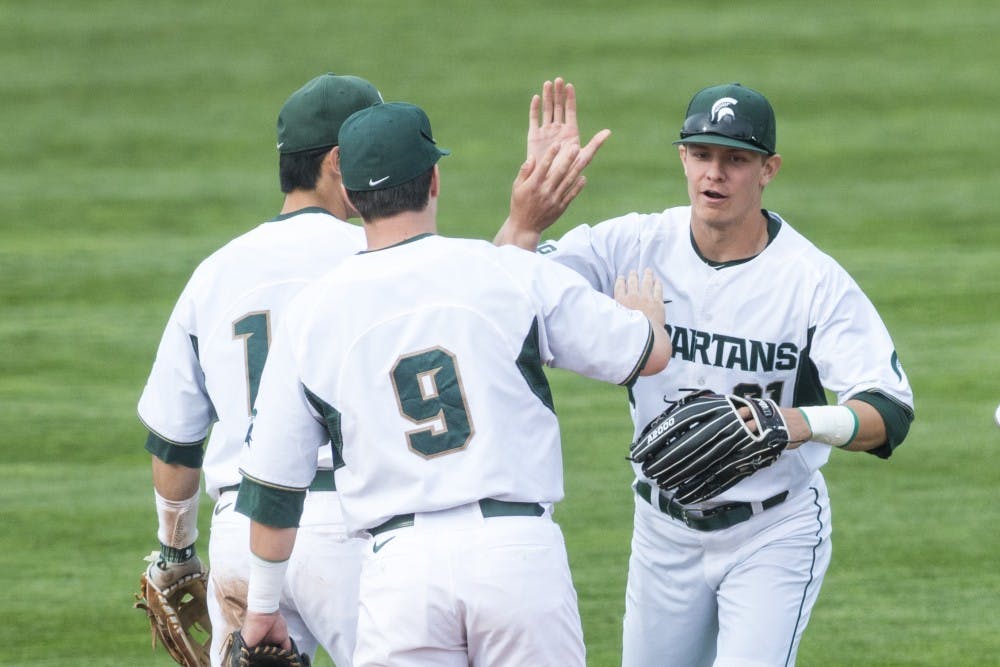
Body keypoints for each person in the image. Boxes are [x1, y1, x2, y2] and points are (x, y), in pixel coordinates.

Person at [233, 100, 672, 667]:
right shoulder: (508, 271)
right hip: (516, 559)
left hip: (400, 574)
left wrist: (264, 608)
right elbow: (643, 355)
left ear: (352, 196)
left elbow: (273, 490)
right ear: (434, 179)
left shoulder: (311, 313)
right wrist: (649, 321)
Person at [495, 79, 915, 666]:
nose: (714, 174)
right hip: (662, 528)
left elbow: (890, 412)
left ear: (768, 170)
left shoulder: (811, 280)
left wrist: (795, 422)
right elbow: (497, 302)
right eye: (701, 154)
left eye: (736, 159)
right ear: (683, 158)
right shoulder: (632, 243)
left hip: (773, 530)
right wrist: (526, 220)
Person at [136, 72, 386, 667]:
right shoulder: (378, 263)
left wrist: (176, 555)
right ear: (336, 162)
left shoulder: (215, 273)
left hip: (241, 536)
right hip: (356, 533)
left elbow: (175, 445)